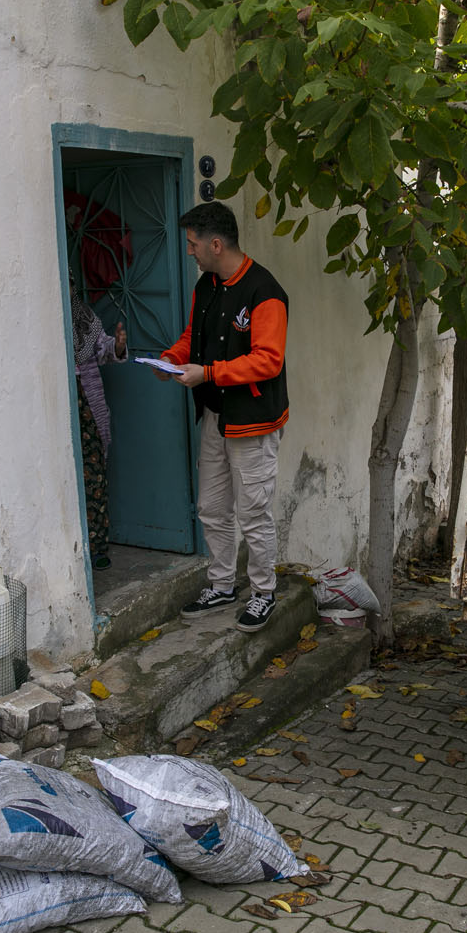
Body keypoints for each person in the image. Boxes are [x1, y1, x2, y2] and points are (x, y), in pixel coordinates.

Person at [158, 202, 289, 632]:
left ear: (216, 244)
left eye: (194, 245)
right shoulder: (207, 285)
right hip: (216, 416)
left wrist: (209, 374)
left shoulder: (265, 291)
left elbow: (268, 361)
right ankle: (222, 584)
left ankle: (263, 593)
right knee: (212, 507)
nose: (190, 252)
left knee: (253, 513)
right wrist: (172, 360)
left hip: (253, 422)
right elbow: (193, 337)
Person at [71, 288, 127, 571]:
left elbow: (103, 348)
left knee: (92, 476)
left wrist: (117, 346)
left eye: (70, 286)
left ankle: (96, 548)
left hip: (88, 406)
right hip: (61, 404)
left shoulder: (83, 315)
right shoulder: (44, 317)